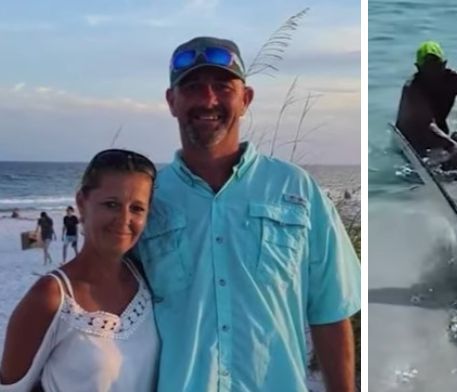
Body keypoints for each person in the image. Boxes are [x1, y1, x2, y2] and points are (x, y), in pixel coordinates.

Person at [132, 36, 361, 392]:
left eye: (222, 87)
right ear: (172, 101)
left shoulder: (297, 189)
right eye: (192, 87)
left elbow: (330, 314)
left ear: (245, 99)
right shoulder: (146, 199)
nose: (208, 100)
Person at [0, 149, 160, 391]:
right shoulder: (51, 297)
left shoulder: (147, 284)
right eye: (111, 204)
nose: (123, 219)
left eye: (137, 208)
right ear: (82, 203)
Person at [395, 40, 457, 166]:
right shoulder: (413, 88)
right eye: (428, 68)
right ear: (418, 68)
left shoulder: (453, 80)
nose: (432, 73)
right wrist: (454, 146)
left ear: (444, 64)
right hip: (413, 137)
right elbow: (427, 125)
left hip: (440, 130)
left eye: (436, 67)